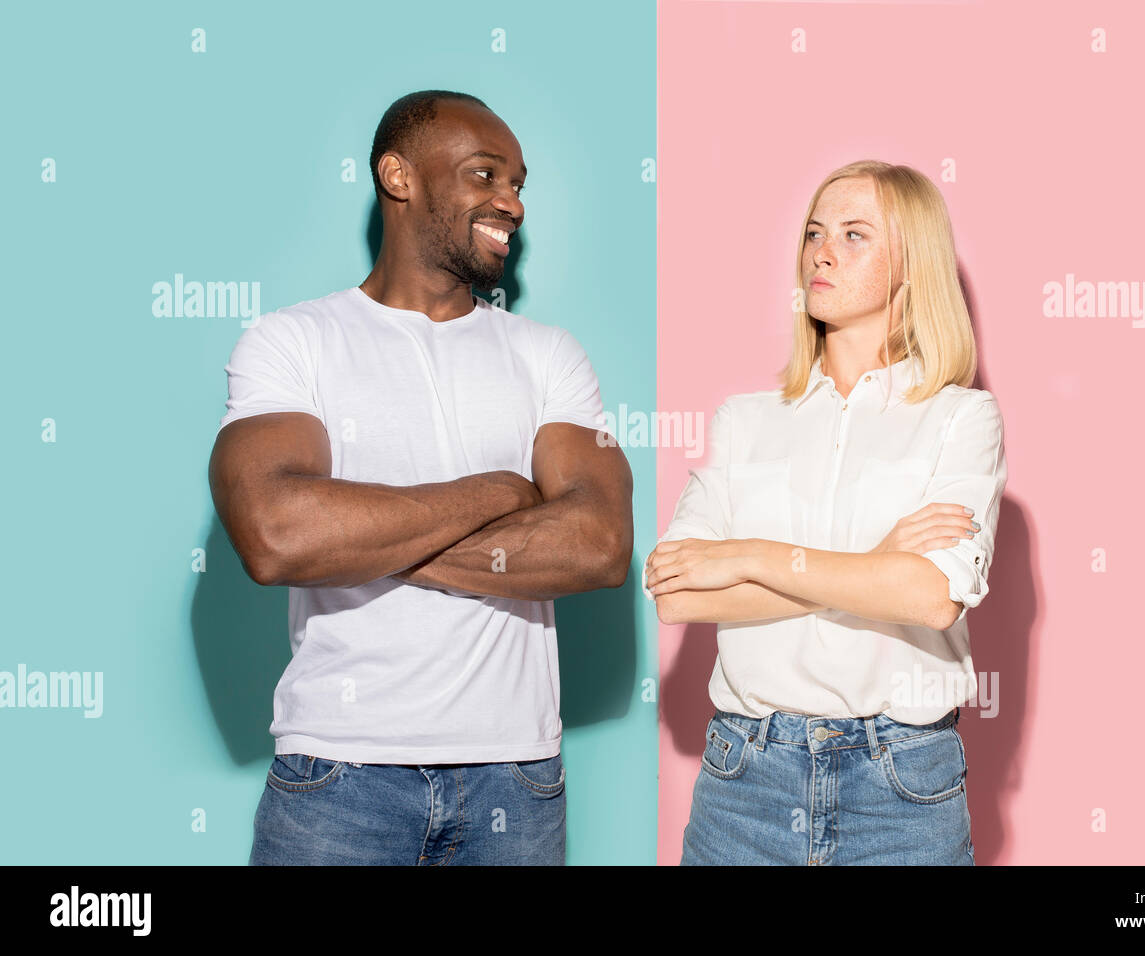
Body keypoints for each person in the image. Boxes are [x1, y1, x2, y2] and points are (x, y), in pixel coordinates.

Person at [208, 90, 634, 866]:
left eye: (519, 183)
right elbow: (275, 535)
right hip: (339, 776)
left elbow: (598, 544)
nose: (511, 202)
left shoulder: (548, 355)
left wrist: (361, 540)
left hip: (516, 777)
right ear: (398, 176)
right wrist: (499, 494)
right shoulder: (292, 342)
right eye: (485, 175)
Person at [643, 160, 1007, 866]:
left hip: (902, 787)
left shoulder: (961, 418)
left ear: (913, 264)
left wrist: (747, 555)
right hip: (746, 777)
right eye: (815, 231)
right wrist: (878, 565)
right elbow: (680, 594)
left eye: (854, 234)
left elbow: (930, 598)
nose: (822, 250)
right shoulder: (744, 420)